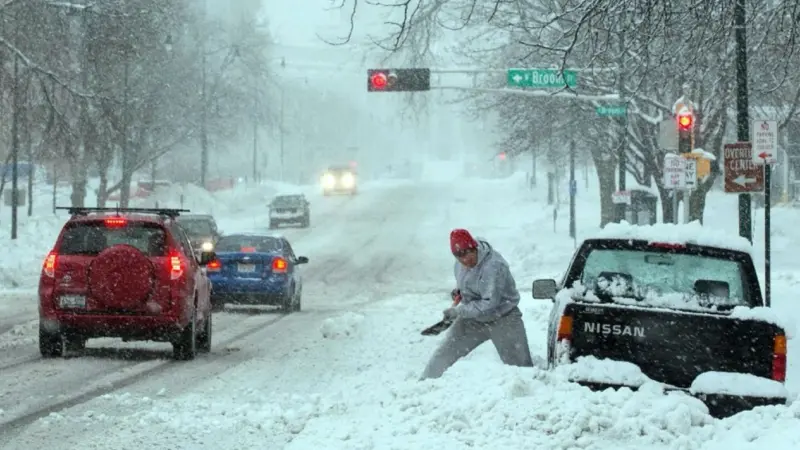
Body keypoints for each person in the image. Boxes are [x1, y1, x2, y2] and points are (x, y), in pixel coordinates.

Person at [420, 228, 534, 379]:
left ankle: (530, 395)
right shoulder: (459, 264)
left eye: (468, 254)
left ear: (474, 247)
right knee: (444, 353)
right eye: (459, 257)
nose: (465, 260)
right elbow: (468, 284)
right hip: (473, 320)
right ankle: (423, 385)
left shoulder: (494, 266)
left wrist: (458, 312)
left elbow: (489, 304)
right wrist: (460, 292)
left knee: (521, 370)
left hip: (504, 320)